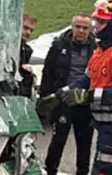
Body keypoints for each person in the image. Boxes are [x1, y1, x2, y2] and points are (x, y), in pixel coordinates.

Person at [37, 0, 112, 175]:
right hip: (106, 124)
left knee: (104, 170)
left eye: (101, 22)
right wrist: (60, 95)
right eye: (97, 21)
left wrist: (86, 96)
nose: (96, 26)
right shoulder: (100, 52)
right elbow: (85, 80)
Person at [40, 14, 96, 175]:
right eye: (78, 27)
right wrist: (45, 96)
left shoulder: (96, 49)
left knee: (84, 143)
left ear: (90, 30)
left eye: (85, 28)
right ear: (72, 27)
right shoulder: (58, 45)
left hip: (84, 102)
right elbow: (48, 71)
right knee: (58, 140)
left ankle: (82, 172)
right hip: (63, 100)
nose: (81, 30)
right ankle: (50, 170)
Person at [18, 13, 38, 98]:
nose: (28, 32)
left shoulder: (27, 51)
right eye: (25, 28)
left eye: (31, 30)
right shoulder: (3, 46)